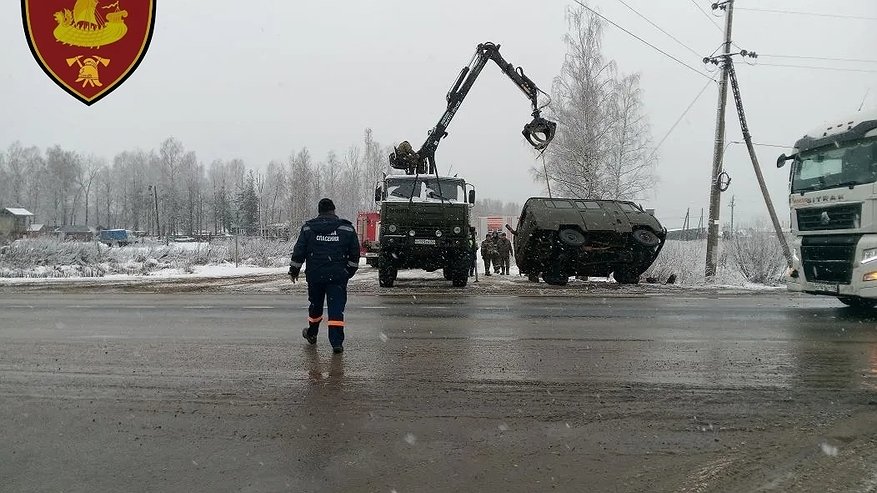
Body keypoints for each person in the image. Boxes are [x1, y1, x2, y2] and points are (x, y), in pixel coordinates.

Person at [289, 198, 360, 354]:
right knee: (336, 309)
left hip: (315, 276)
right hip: (338, 277)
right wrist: (348, 272)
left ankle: (312, 333)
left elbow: (299, 250)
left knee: (316, 305)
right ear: (333, 210)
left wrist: (294, 270)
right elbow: (355, 253)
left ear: (319, 211)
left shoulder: (308, 228)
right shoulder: (346, 229)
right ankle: (336, 343)